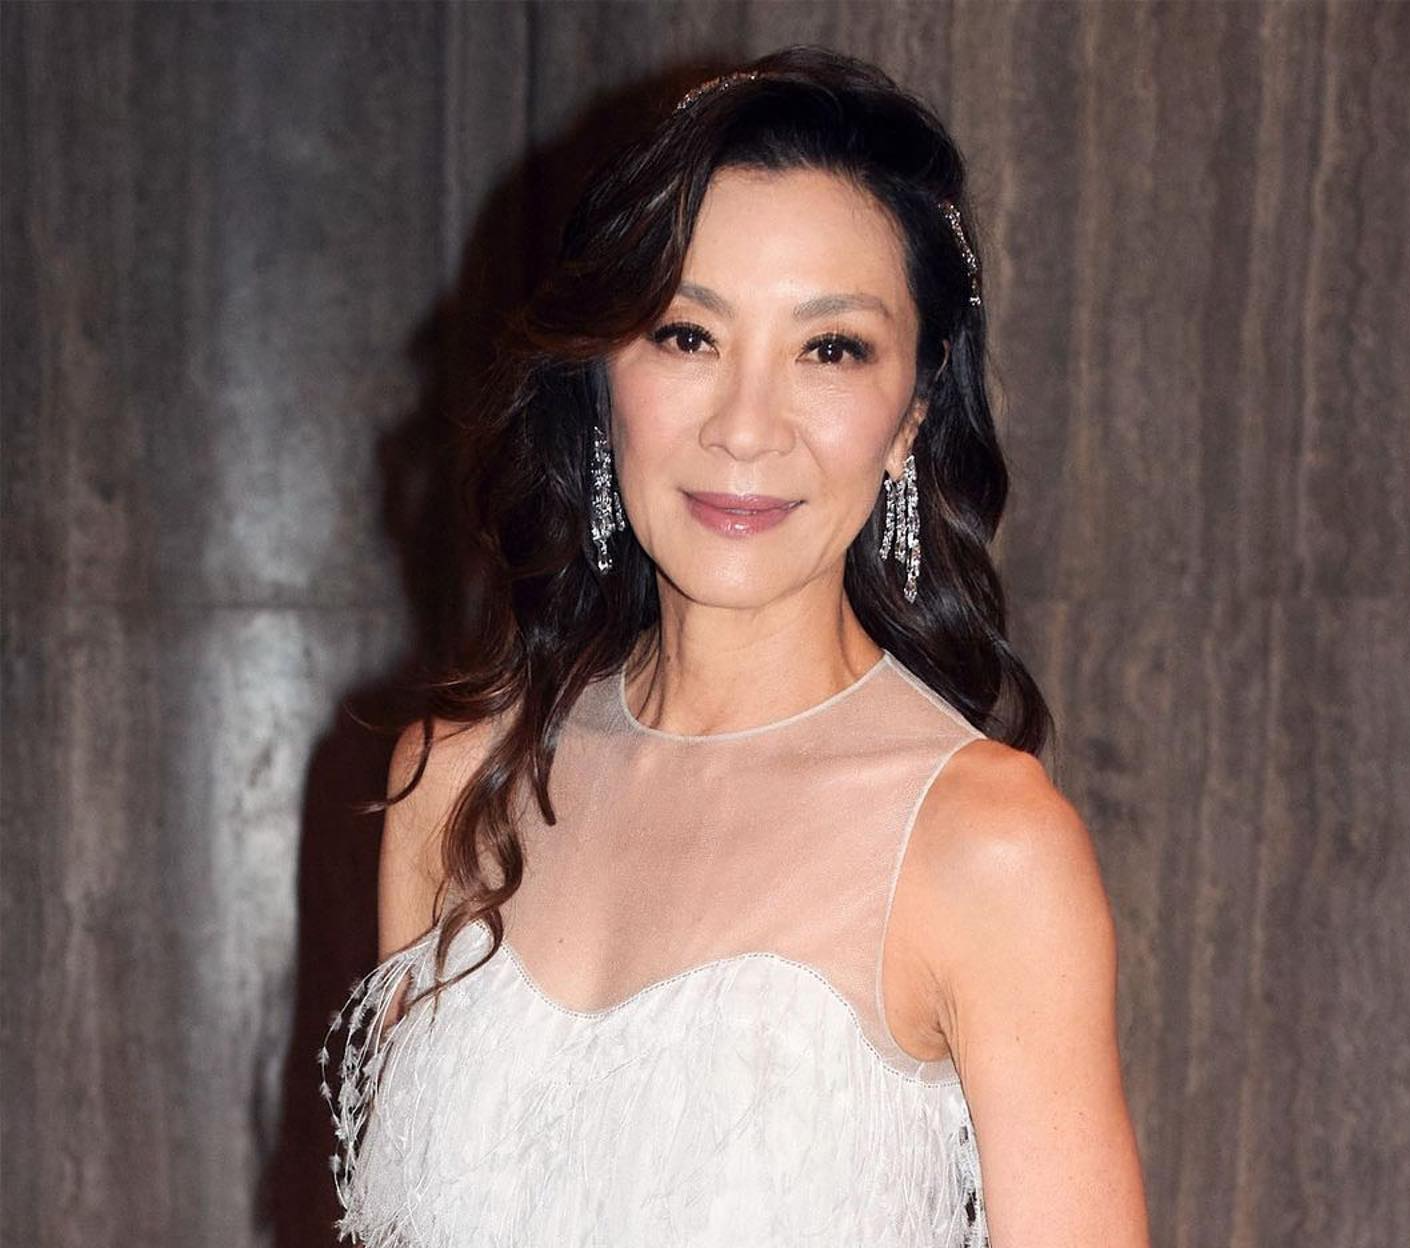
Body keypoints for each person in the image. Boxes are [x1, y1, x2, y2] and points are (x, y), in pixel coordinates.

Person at [320, 44, 1150, 1248]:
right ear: (603, 376)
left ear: (912, 415)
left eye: (831, 348)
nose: (746, 428)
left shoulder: (986, 846)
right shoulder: (452, 785)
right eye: (686, 335)